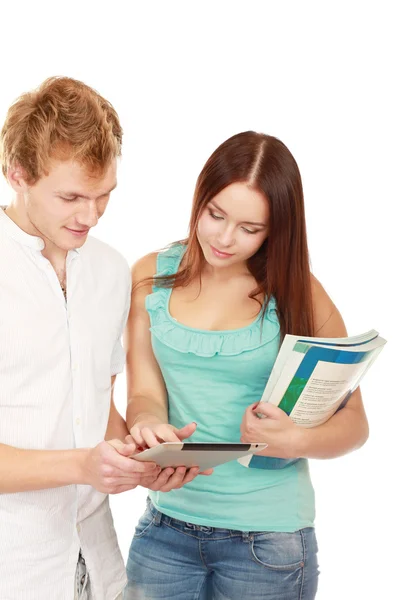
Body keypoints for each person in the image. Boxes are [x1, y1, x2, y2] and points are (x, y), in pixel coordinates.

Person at [123, 131, 369, 600]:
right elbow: (143, 394)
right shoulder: (149, 275)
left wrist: (296, 439)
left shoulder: (298, 292)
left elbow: (355, 425)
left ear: (276, 229)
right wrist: (149, 425)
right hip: (164, 530)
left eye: (249, 228)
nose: (224, 237)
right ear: (199, 198)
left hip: (269, 542)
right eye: (215, 214)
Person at [0, 76, 189, 600]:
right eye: (71, 197)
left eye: (104, 196)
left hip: (97, 563)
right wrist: (81, 465)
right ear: (16, 174)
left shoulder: (109, 270)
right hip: (14, 565)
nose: (90, 215)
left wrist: (142, 455)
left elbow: (95, 404)